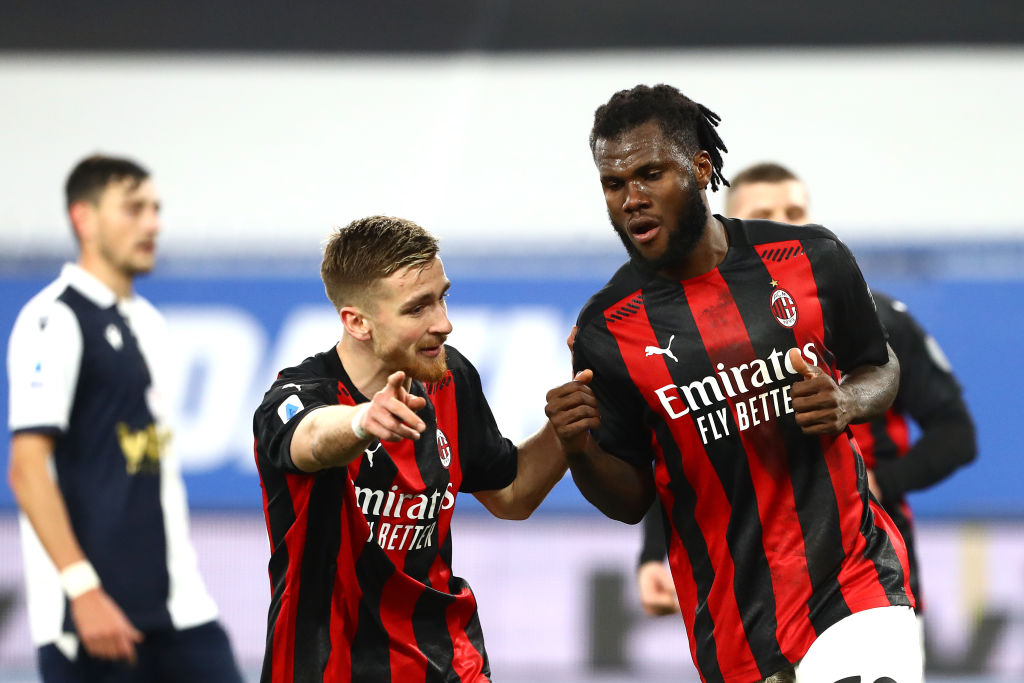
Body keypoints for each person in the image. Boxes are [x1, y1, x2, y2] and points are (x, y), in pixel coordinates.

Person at [544, 85, 921, 683]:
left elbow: (881, 366)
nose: (632, 199)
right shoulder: (605, 330)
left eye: (650, 175)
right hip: (735, 628)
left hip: (854, 580)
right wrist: (579, 449)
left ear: (700, 169)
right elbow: (630, 499)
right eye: (614, 185)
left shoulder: (812, 257)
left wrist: (845, 400)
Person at [635, 162, 978, 622]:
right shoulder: (691, 339)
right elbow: (682, 459)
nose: (783, 225)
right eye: (764, 214)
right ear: (729, 227)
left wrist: (881, 482)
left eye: (794, 212)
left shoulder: (876, 316)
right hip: (754, 586)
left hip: (873, 568)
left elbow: (956, 434)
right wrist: (653, 556)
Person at [252, 215, 568, 682]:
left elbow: (512, 495)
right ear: (357, 322)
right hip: (326, 668)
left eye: (442, 298)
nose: (444, 324)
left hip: (449, 664)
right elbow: (312, 438)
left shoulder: (450, 379)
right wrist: (362, 421)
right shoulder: (296, 395)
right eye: (418, 308)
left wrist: (565, 430)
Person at [6, 155, 242, 681]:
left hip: (182, 611)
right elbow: (27, 468)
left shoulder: (150, 323)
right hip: (93, 619)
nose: (153, 224)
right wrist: (82, 589)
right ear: (84, 219)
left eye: (156, 209)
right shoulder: (54, 319)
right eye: (134, 209)